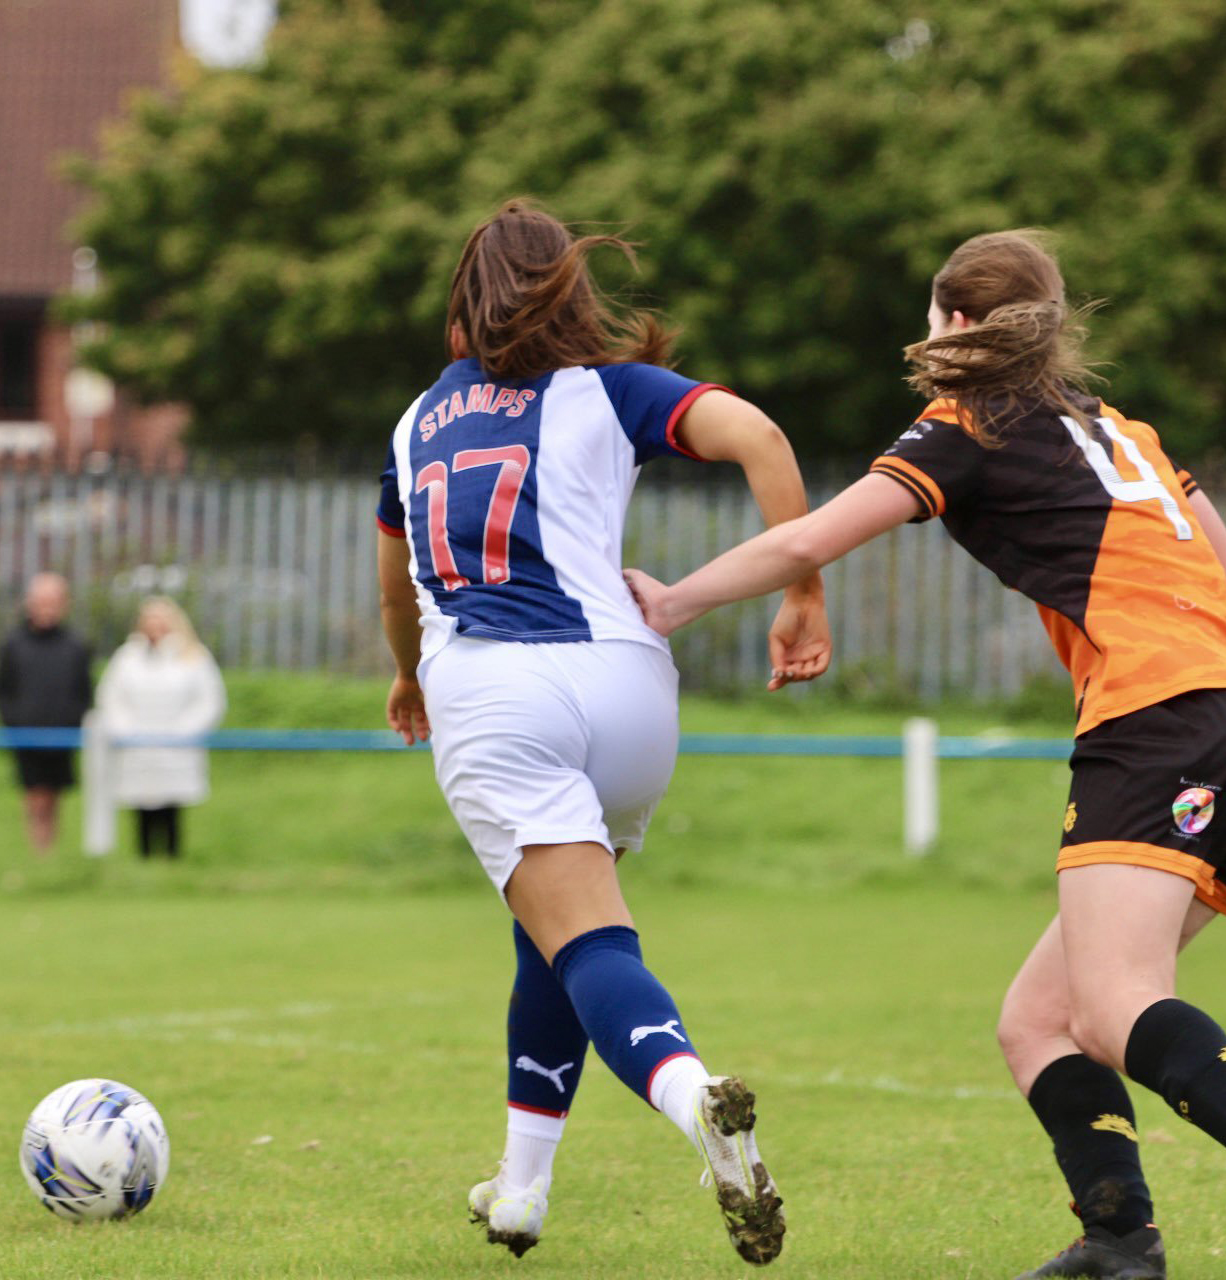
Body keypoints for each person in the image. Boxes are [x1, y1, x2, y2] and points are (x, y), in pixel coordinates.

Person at [625, 230, 1226, 1280]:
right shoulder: (1126, 430)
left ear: (959, 323)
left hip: (1157, 719)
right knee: (1040, 1020)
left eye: (932, 319)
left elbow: (808, 540)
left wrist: (673, 599)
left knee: (1111, 1001)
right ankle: (1120, 1241)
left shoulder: (964, 423)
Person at [376, 200, 831, 1265]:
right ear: (574, 301)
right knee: (557, 933)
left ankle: (693, 1096)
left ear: (460, 319)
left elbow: (397, 591)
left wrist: (406, 676)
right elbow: (759, 435)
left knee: (583, 938)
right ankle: (521, 1188)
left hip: (497, 692)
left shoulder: (411, 424)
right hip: (630, 686)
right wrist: (801, 588)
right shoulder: (613, 389)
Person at [95, 597, 226, 859]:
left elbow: (210, 700)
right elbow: (111, 697)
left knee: (172, 806)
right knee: (141, 804)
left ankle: (172, 862)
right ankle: (143, 861)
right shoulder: (127, 657)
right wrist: (125, 730)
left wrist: (184, 732)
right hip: (136, 744)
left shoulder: (193, 655)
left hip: (177, 744)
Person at [0, 572, 93, 854]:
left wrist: (72, 723)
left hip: (62, 736)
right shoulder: (13, 644)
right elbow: (0, 691)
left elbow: (85, 692)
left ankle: (50, 857)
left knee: (54, 798)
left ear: (64, 604)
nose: (47, 608)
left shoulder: (75, 645)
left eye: (54, 601)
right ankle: (38, 854)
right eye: (42, 601)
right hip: (26, 736)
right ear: (29, 603)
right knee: (35, 798)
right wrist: (14, 724)